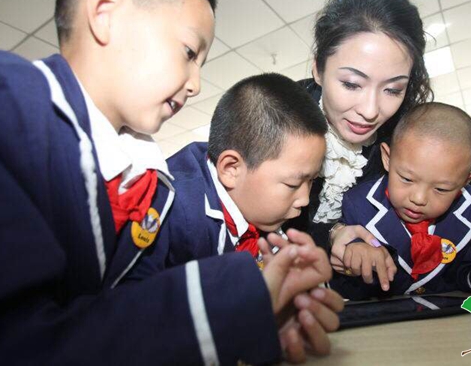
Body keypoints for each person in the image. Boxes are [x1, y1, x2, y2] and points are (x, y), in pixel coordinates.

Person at [0, 0, 335, 364]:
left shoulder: (149, 183)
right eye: (189, 53)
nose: (196, 84)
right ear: (105, 10)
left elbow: (116, 315)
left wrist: (247, 316)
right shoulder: (7, 106)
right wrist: (230, 303)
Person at [285, 0, 471, 289]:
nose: (370, 111)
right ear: (318, 69)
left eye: (392, 89)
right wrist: (333, 235)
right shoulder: (278, 118)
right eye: (351, 84)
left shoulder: (404, 130)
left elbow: (455, 189)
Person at [126, 73, 344, 360]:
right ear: (231, 168)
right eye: (293, 184)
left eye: (312, 181)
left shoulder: (264, 206)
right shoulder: (167, 209)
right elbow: (131, 323)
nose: (304, 199)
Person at [328, 103, 471, 299]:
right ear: (387, 158)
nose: (418, 198)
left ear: (465, 182)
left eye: (441, 189)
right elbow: (347, 288)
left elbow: (462, 274)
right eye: (407, 179)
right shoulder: (359, 205)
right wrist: (354, 259)